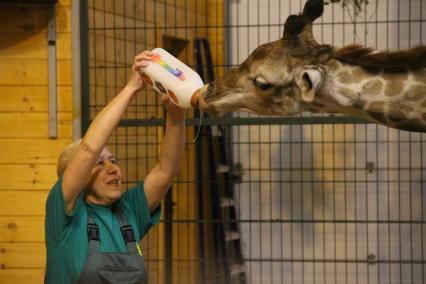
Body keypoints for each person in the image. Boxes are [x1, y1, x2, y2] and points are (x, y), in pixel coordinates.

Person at [44, 50, 186, 284]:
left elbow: (165, 170)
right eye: (99, 164)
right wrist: (131, 88)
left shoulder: (129, 211)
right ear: (76, 178)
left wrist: (176, 117)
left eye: (113, 161)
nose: (112, 169)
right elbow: (89, 148)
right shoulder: (65, 215)